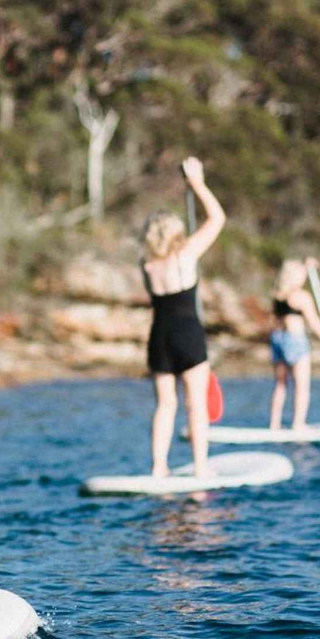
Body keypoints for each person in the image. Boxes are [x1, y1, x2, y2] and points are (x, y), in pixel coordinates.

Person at [143, 157, 225, 478]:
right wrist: (198, 183)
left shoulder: (147, 266)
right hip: (187, 334)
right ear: (176, 231)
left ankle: (158, 467)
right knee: (196, 404)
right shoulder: (186, 255)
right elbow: (217, 218)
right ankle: (201, 468)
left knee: (165, 405)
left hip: (159, 337)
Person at [268, 258, 320, 430]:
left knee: (280, 384)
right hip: (295, 340)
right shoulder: (301, 297)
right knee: (302, 386)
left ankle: (274, 424)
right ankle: (298, 424)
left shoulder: (277, 295)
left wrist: (306, 266)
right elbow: (313, 321)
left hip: (277, 339)